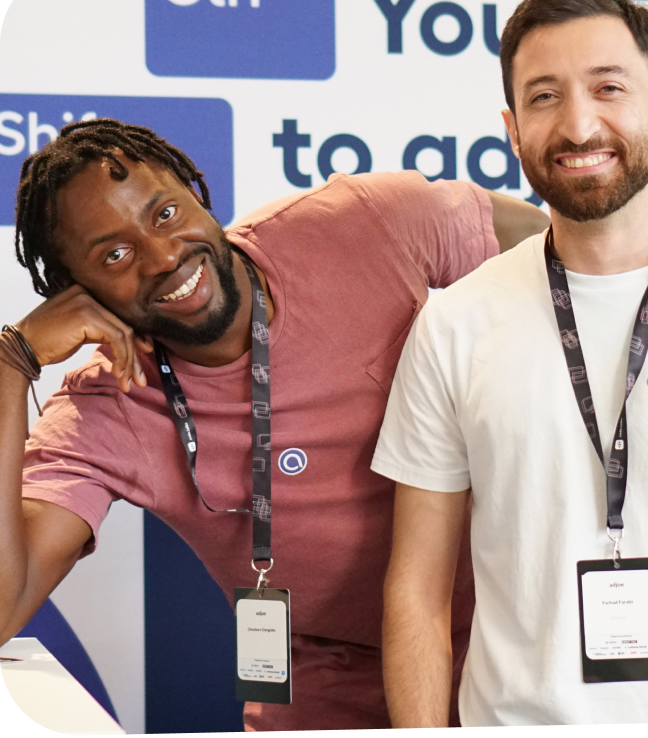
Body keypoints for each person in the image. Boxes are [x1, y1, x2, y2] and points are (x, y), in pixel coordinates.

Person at [0, 118, 549, 734]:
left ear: (194, 190)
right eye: (116, 254)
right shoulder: (110, 404)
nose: (164, 256)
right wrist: (9, 361)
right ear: (80, 292)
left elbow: (575, 253)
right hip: (332, 681)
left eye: (163, 213)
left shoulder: (359, 223)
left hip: (520, 643)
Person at [374, 0, 648, 732]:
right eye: (544, 97)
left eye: (609, 88)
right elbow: (417, 592)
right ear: (512, 130)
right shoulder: (455, 324)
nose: (579, 124)